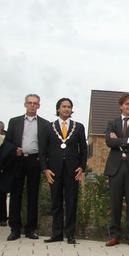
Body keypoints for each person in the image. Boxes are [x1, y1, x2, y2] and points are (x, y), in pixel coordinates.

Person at [39, 98, 87, 244]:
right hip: (54, 171)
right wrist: (45, 169)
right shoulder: (48, 127)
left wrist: (82, 166)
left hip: (72, 171)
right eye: (64, 106)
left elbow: (83, 149)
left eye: (69, 107)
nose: (67, 109)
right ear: (58, 109)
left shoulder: (78, 127)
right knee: (56, 203)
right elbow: (42, 151)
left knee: (71, 203)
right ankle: (57, 234)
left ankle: (70, 234)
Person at [6, 94, 51, 240]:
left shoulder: (45, 124)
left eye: (35, 103)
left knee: (33, 195)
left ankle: (30, 228)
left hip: (34, 161)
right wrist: (14, 150)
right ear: (25, 104)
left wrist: (42, 157)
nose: (32, 105)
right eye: (30, 103)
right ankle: (14, 228)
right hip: (18, 160)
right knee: (15, 195)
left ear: (39, 106)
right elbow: (7, 141)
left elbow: (48, 144)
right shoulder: (14, 122)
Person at [104, 94, 129, 247]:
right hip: (116, 167)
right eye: (127, 104)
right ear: (121, 106)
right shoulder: (112, 123)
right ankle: (115, 235)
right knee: (115, 202)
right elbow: (109, 142)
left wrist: (119, 141)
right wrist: (128, 140)